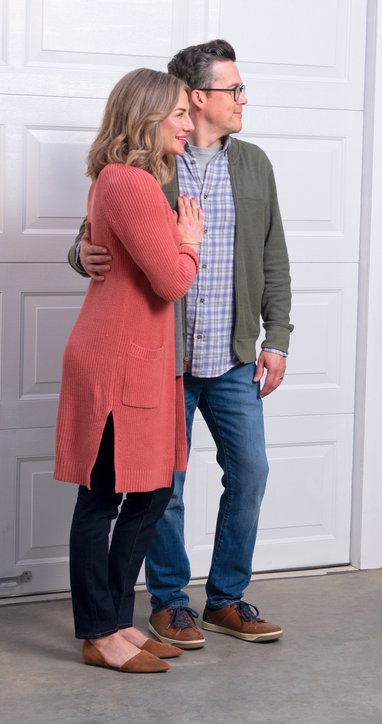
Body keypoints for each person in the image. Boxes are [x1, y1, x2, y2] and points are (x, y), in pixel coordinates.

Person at [70, 40, 292, 647]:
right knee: (159, 484)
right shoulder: (150, 162)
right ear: (198, 99)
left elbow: (274, 256)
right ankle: (170, 602)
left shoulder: (253, 165)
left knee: (250, 471)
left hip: (231, 354)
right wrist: (79, 253)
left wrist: (278, 338)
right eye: (234, 89)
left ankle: (226, 597)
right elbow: (102, 232)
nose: (243, 99)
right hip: (161, 358)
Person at [55, 69, 203, 673]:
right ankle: (99, 632)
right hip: (117, 361)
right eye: (178, 115)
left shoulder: (118, 181)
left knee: (151, 490)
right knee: (104, 499)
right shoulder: (131, 183)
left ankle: (117, 620)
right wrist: (189, 240)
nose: (189, 125)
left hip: (140, 360)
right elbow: (170, 280)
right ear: (146, 117)